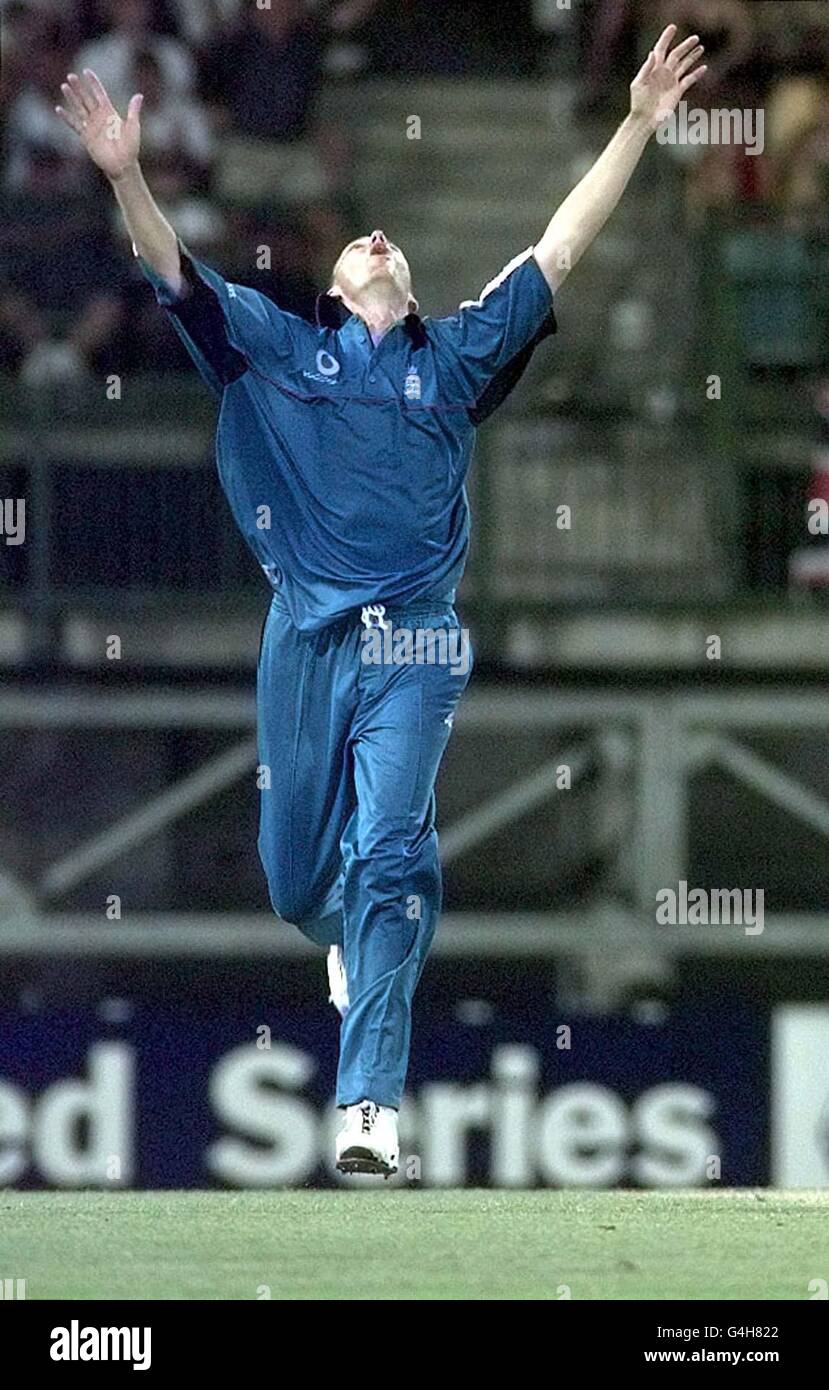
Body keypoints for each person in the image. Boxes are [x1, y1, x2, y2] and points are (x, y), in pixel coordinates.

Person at [54, 26, 706, 1174]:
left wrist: (640, 122)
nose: (378, 239)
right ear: (339, 286)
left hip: (416, 643)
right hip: (303, 643)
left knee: (394, 852)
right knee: (299, 880)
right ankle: (345, 931)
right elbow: (171, 270)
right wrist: (124, 175)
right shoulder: (274, 347)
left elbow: (559, 246)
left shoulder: (451, 360)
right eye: (362, 244)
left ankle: (368, 1109)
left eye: (389, 243)